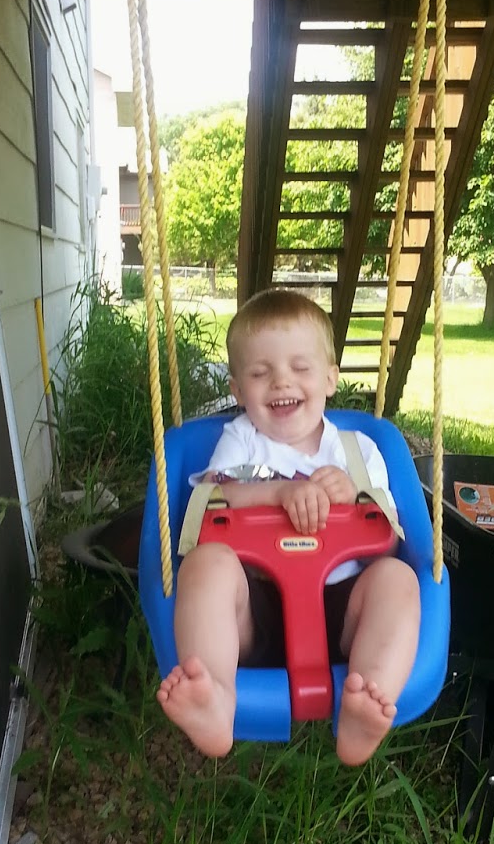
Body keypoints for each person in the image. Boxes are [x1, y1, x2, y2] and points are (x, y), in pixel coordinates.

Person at [157, 289, 421, 767]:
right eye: (260, 373)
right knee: (206, 564)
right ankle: (215, 694)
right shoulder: (240, 439)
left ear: (330, 378)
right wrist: (278, 492)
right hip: (254, 609)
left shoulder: (358, 450)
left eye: (300, 368)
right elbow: (214, 498)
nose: (281, 381)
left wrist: (353, 495)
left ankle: (369, 696)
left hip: (343, 610)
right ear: (237, 391)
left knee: (398, 580)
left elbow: (391, 534)